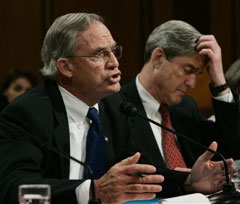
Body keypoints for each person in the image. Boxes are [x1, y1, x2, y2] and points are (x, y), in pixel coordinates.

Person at [0, 13, 164, 204]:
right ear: (66, 67)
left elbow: (139, 171)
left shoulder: (114, 105)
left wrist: (189, 180)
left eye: (113, 51)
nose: (114, 63)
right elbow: (16, 185)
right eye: (99, 54)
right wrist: (91, 191)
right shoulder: (27, 114)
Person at [119, 20, 238, 197]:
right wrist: (187, 180)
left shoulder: (185, 107)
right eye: (187, 70)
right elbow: (137, 174)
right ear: (158, 58)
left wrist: (219, 82)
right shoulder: (118, 107)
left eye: (197, 74)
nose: (192, 83)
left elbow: (232, 149)